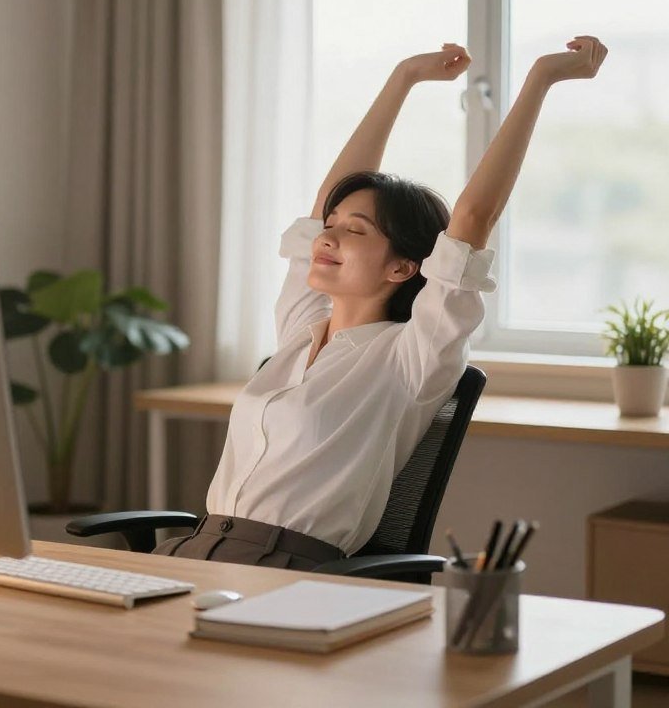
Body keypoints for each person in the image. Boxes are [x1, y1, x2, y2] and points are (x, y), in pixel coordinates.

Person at [154, 36, 608, 569]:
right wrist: (403, 78)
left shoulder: (412, 357)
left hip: (292, 574)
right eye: (330, 227)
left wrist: (540, 80)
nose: (327, 238)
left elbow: (472, 220)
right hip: (195, 552)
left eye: (356, 231)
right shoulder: (300, 329)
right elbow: (326, 201)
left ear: (402, 267)